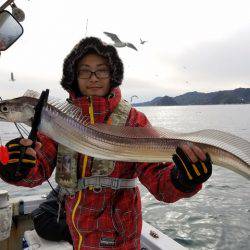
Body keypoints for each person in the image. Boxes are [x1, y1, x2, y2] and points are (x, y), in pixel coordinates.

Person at [0, 37, 212, 250]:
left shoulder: (134, 120)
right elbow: (39, 169)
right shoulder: (55, 121)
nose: (93, 78)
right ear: (74, 76)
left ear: (113, 75)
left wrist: (182, 179)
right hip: (79, 239)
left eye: (101, 70)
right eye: (84, 71)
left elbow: (159, 180)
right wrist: (18, 167)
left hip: (122, 241)